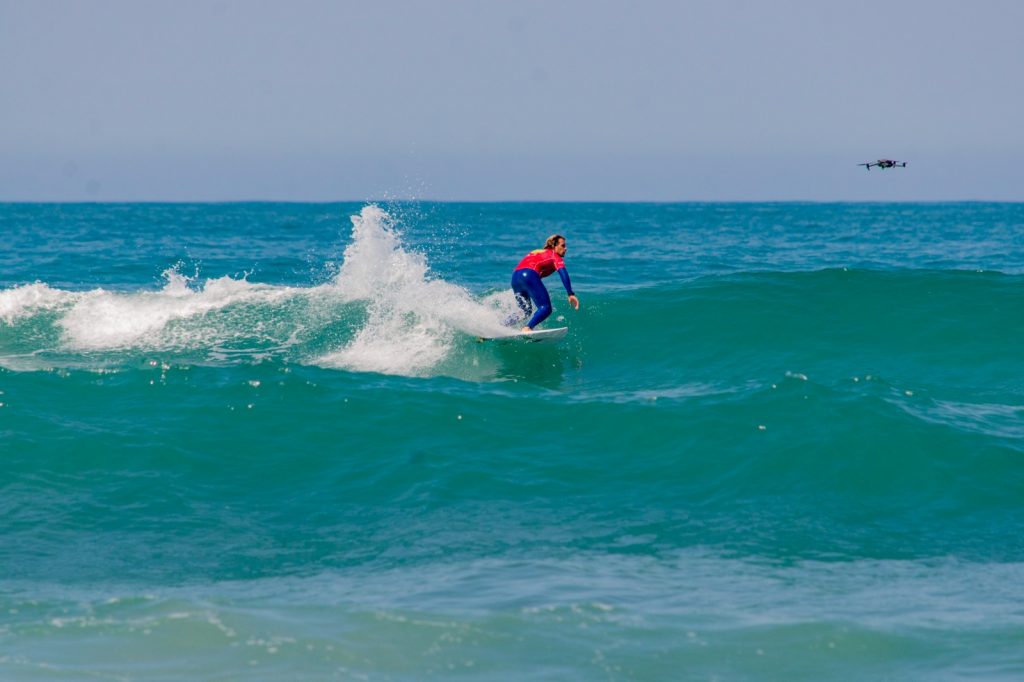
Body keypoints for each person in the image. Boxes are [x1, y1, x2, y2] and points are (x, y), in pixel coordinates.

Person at [511, 234, 579, 332]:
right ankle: (527, 328)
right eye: (563, 245)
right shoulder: (554, 255)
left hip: (515, 277)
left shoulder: (538, 252)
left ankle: (501, 326)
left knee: (524, 311)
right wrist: (570, 293)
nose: (566, 248)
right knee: (546, 308)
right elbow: (563, 272)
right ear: (554, 246)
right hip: (529, 274)